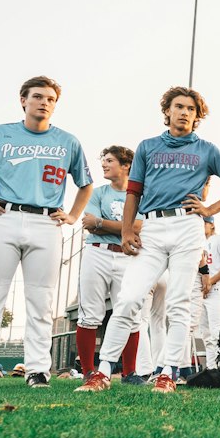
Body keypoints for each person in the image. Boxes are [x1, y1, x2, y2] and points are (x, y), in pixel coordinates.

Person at [76, 86, 220, 394]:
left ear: (197, 116)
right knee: (129, 297)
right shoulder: (147, 146)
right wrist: (127, 230)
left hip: (187, 226)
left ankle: (168, 372)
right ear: (167, 111)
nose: (184, 112)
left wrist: (209, 209)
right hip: (152, 228)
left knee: (179, 302)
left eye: (191, 109)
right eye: (178, 106)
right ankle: (101, 372)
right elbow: (134, 192)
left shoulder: (207, 149)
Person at [0, 75, 93, 388]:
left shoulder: (67, 141)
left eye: (50, 99)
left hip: (47, 223)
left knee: (41, 300)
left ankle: (37, 370)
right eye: (37, 97)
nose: (43, 103)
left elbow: (85, 183)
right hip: (3, 218)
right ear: (23, 100)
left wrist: (74, 214)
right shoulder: (0, 134)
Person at [75, 145, 143, 381]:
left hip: (127, 255)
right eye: (103, 160)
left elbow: (139, 227)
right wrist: (121, 227)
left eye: (110, 160)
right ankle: (88, 371)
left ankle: (129, 372)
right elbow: (88, 223)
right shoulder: (99, 193)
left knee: (129, 311)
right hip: (97, 252)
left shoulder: (138, 195)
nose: (104, 164)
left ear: (126, 166)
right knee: (90, 314)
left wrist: (101, 223)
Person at [193, 218, 220, 369]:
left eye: (204, 223)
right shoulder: (198, 242)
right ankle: (211, 369)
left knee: (217, 333)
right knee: (205, 334)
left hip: (216, 290)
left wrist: (211, 281)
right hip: (201, 292)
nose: (202, 226)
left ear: (212, 224)